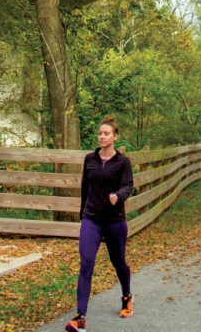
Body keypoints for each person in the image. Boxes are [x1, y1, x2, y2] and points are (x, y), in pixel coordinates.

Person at [65, 116, 134, 332]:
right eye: (100, 133)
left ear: (115, 137)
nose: (102, 137)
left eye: (106, 133)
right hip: (91, 220)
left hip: (114, 221)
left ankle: (127, 295)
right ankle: (80, 317)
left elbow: (128, 185)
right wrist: (82, 215)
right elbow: (85, 188)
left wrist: (118, 195)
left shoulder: (123, 162)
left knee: (118, 262)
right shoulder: (90, 159)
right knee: (86, 264)